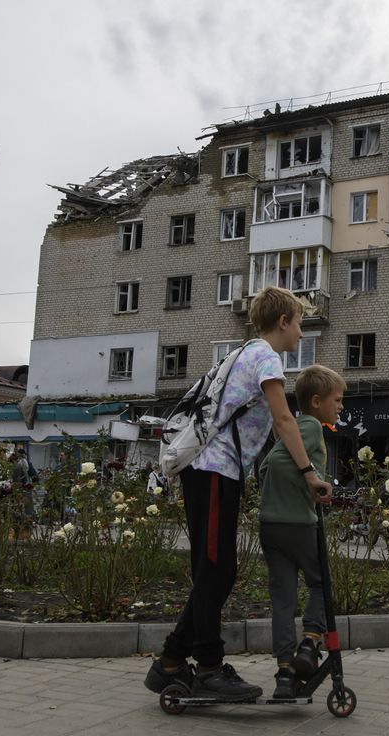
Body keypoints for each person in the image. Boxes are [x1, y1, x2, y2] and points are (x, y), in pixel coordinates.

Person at [143, 286, 332, 702]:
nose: (300, 333)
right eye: (299, 323)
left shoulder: (245, 352)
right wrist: (308, 474)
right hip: (211, 471)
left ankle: (173, 662)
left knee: (218, 569)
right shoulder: (266, 356)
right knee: (215, 569)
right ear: (283, 321)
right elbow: (283, 419)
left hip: (217, 474)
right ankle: (207, 667)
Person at [257, 364, 345, 699]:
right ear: (317, 400)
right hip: (297, 523)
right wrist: (309, 484)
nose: (341, 407)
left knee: (282, 597)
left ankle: (284, 674)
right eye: (337, 400)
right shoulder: (308, 425)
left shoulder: (293, 429)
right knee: (321, 581)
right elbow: (279, 464)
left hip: (271, 524)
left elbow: (266, 465)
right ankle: (309, 643)